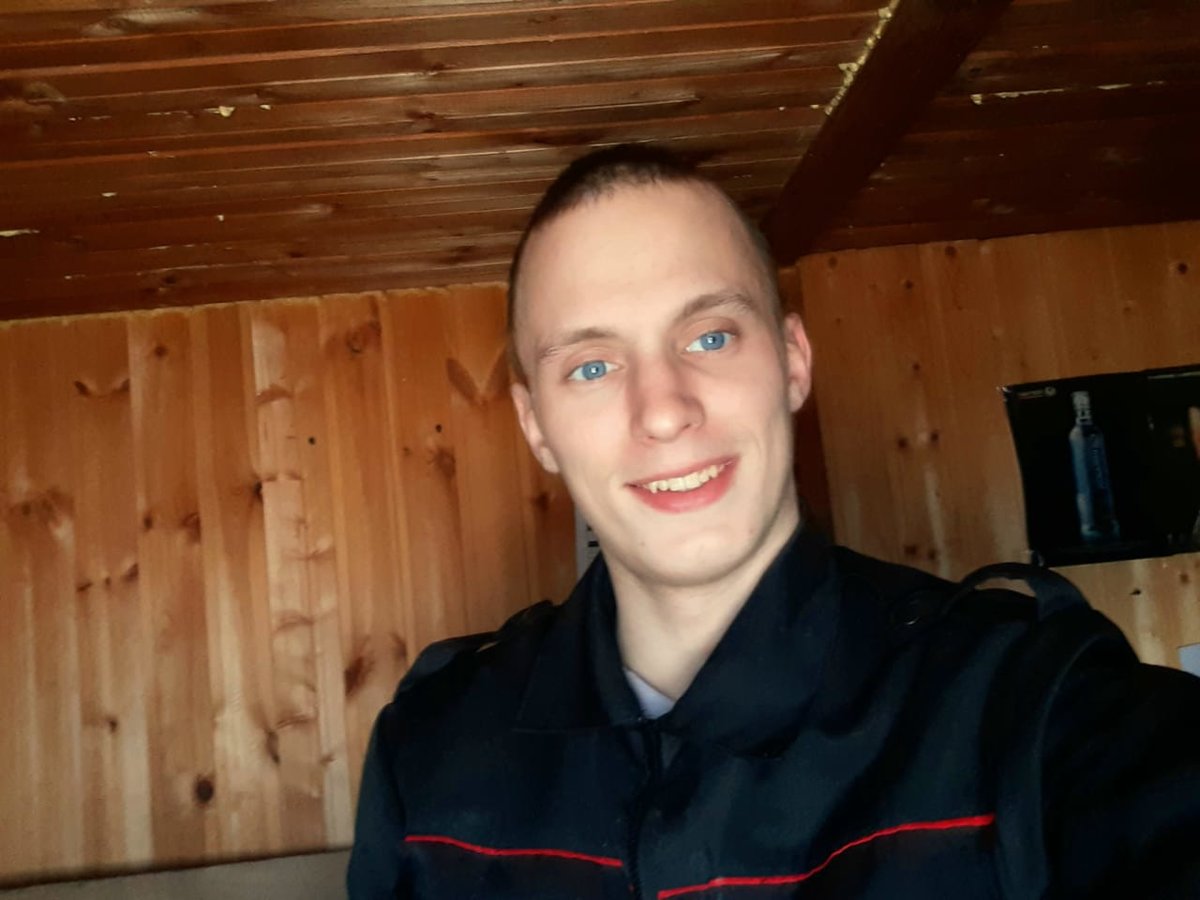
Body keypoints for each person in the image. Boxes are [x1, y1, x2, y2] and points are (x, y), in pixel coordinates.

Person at [347, 144, 1200, 899]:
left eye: (710, 337)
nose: (664, 410)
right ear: (536, 426)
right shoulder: (427, 753)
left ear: (793, 361)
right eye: (593, 366)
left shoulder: (1026, 704)